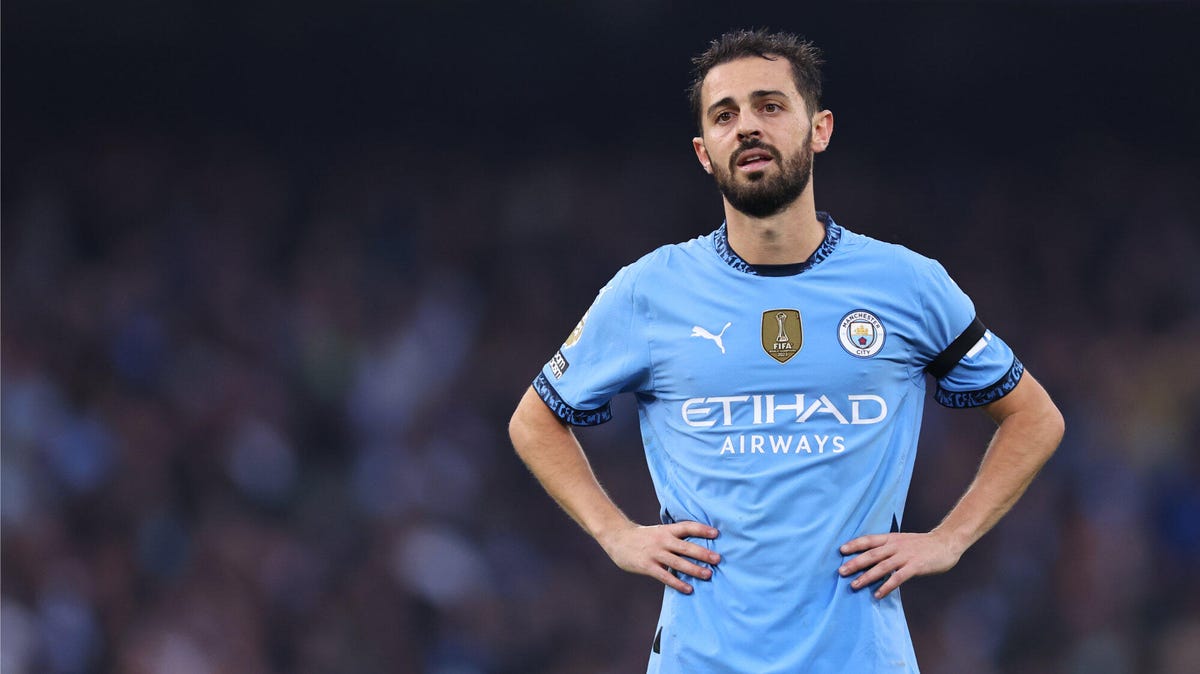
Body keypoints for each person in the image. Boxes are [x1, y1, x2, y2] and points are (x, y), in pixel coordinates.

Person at [508, 28, 1064, 673]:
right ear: (703, 151)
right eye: (725, 115)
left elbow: (1034, 416)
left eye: (770, 106)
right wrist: (615, 534)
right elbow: (535, 419)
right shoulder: (650, 290)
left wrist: (950, 540)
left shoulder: (905, 283)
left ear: (819, 128)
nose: (747, 126)